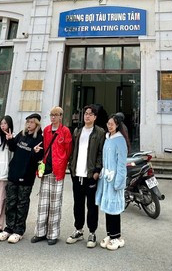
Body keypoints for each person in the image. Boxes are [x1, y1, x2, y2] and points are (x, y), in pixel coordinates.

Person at [31, 106, 73, 245]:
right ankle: (40, 232)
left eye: (56, 115)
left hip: (58, 170)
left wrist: (62, 161)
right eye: (51, 115)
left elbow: (68, 150)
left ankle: (53, 234)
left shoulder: (65, 131)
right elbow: (44, 147)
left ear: (61, 116)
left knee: (55, 203)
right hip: (46, 168)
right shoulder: (47, 130)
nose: (53, 117)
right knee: (43, 202)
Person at [66, 104, 105, 248]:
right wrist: (71, 166)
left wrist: (97, 170)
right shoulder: (77, 131)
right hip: (77, 174)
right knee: (78, 204)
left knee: (92, 205)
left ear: (95, 117)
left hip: (90, 175)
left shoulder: (100, 132)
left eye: (90, 114)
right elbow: (72, 150)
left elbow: (101, 153)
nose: (87, 116)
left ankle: (92, 232)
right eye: (85, 113)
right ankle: (78, 230)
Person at [1, 113, 44, 243]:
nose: (29, 124)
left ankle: (19, 230)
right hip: (14, 173)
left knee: (22, 204)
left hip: (26, 175)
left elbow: (38, 159)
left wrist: (36, 152)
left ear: (36, 124)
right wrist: (10, 139)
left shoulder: (39, 138)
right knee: (10, 202)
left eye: (31, 122)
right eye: (28, 122)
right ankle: (9, 228)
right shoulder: (22, 134)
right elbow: (14, 148)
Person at [96, 112, 129, 250]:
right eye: (108, 124)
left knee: (114, 210)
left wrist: (119, 182)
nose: (109, 126)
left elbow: (122, 164)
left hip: (114, 179)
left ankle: (116, 236)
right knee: (108, 209)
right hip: (106, 179)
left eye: (112, 124)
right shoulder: (108, 138)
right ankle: (110, 234)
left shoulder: (120, 140)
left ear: (117, 125)